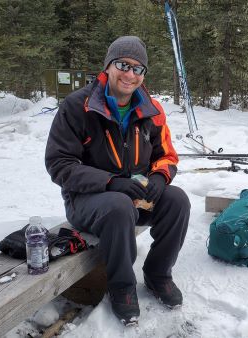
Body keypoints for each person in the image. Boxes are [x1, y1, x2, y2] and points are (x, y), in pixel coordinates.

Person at [45, 36, 190, 326]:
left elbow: (167, 155)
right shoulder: (78, 106)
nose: (131, 74)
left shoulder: (152, 109)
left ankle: (158, 274)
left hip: (135, 194)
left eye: (139, 69)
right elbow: (59, 164)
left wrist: (161, 177)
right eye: (124, 65)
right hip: (87, 200)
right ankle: (121, 286)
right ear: (108, 66)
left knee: (178, 200)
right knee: (119, 206)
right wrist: (110, 181)